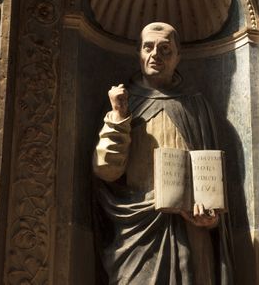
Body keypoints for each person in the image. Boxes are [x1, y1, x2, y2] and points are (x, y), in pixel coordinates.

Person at [93, 22, 233, 284]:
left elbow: (211, 180)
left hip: (191, 233)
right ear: (139, 52)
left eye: (165, 49)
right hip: (137, 229)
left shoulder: (195, 104)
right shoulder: (124, 103)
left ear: (178, 57)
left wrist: (210, 220)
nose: (156, 54)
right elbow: (106, 171)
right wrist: (119, 118)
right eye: (149, 47)